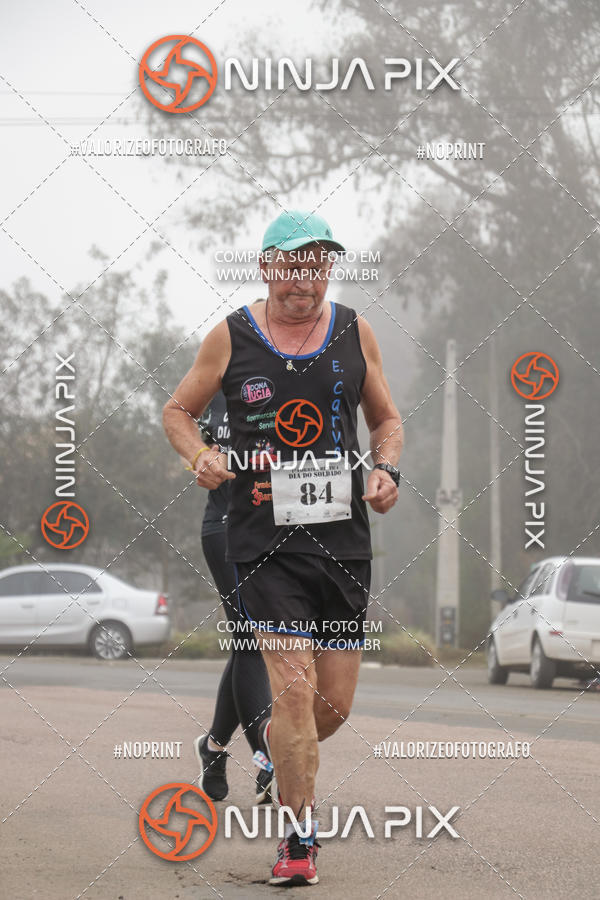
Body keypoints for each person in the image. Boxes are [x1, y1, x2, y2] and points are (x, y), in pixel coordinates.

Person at [163, 209, 403, 887]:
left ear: (328, 268)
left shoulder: (355, 332)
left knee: (330, 709)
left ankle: (269, 745)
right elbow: (177, 411)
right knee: (294, 695)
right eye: (291, 264)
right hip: (263, 542)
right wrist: (201, 456)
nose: (304, 278)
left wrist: (386, 469)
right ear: (266, 266)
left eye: (317, 264)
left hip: (341, 545)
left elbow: (386, 419)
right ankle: (300, 842)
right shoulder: (231, 336)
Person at [192, 389, 273, 804]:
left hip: (277, 527)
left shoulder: (292, 383)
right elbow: (178, 416)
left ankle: (215, 747)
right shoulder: (218, 381)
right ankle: (268, 752)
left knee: (255, 642)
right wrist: (200, 455)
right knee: (252, 639)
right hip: (224, 528)